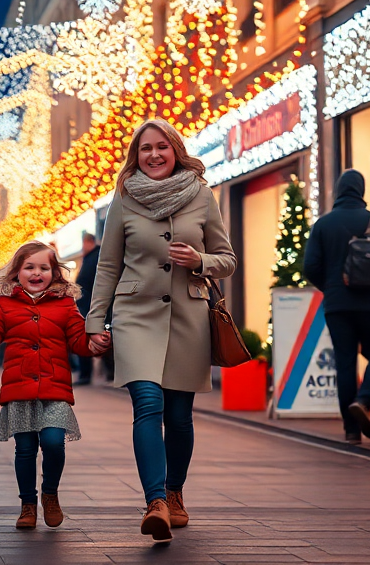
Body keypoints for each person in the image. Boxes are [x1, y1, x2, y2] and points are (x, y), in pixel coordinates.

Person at [85, 119, 236, 542]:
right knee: (147, 403)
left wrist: (200, 260)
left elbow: (227, 258)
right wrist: (95, 321)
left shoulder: (202, 195)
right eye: (145, 148)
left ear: (175, 151)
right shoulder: (125, 199)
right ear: (136, 155)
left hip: (188, 316)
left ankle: (175, 492)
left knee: (180, 416)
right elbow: (108, 265)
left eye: (162, 147)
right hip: (135, 315)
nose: (153, 155)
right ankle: (155, 502)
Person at [0, 241, 100, 530]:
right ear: (17, 273)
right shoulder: (5, 305)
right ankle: (27, 505)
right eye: (29, 267)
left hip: (55, 390)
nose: (37, 273)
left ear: (54, 272)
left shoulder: (66, 305)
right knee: (25, 449)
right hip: (19, 390)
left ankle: (50, 495)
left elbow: (79, 342)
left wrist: (96, 344)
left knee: (55, 444)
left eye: (44, 267)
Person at [302, 169, 370, 445]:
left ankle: (351, 430)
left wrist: (331, 287)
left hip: (338, 306)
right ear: (361, 190)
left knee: (345, 362)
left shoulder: (324, 224)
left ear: (338, 190)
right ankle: (364, 400)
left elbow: (309, 266)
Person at [74, 232, 100, 386]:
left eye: (84, 243)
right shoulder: (89, 257)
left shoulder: (94, 257)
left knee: (84, 339)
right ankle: (85, 373)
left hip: (89, 306)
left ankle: (86, 374)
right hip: (86, 305)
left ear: (89, 242)